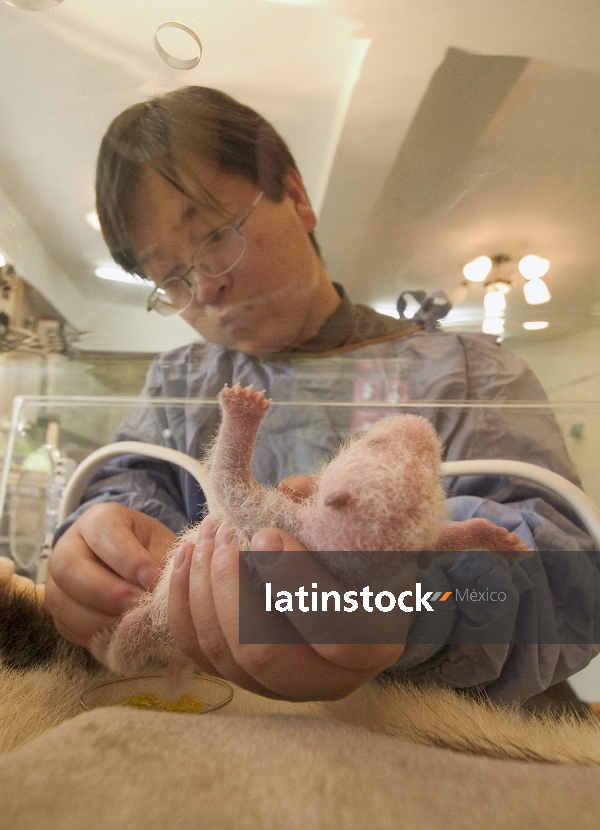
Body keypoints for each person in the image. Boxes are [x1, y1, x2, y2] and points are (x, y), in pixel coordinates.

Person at [46, 86, 600, 704]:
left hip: (463, 741)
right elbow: (125, 492)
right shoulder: (179, 384)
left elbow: (569, 587)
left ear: (298, 197)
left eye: (212, 236)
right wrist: (96, 552)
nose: (205, 288)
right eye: (169, 276)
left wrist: (406, 612)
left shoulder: (469, 373)